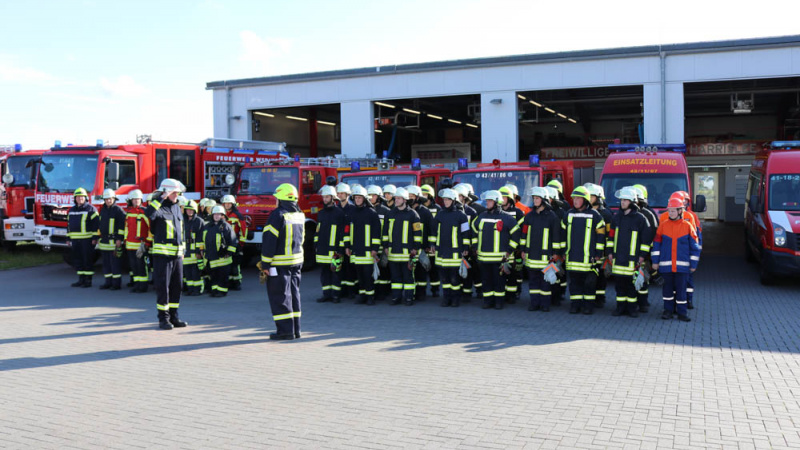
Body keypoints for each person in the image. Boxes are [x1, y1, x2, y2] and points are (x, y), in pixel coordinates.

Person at [261, 183, 305, 340]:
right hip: (296, 262)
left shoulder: (277, 215)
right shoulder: (300, 214)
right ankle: (295, 329)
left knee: (280, 296)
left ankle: (285, 331)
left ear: (280, 199)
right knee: (294, 295)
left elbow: (269, 241)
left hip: (279, 264)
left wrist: (265, 264)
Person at [145, 179, 189, 330]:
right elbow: (149, 214)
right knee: (163, 287)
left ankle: (174, 317)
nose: (176, 195)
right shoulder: (158, 207)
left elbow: (181, 231)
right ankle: (163, 319)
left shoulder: (177, 208)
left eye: (177, 192)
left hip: (177, 256)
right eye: (173, 192)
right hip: (162, 256)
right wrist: (161, 197)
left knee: (177, 286)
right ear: (166, 193)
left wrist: (183, 251)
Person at [513, 187, 562, 312]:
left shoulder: (552, 217)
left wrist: (556, 253)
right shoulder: (529, 216)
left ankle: (545, 305)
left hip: (546, 256)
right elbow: (524, 235)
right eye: (534, 198)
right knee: (533, 282)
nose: (535, 201)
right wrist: (523, 249)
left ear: (544, 200)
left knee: (545, 282)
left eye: (537, 198)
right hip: (531, 255)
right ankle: (534, 303)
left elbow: (556, 237)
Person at [652, 197, 700, 322]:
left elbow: (695, 247)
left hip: (682, 267)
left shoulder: (688, 226)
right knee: (667, 291)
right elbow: (656, 246)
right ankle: (667, 311)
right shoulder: (663, 226)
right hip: (666, 266)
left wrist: (693, 264)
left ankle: (682, 313)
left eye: (673, 211)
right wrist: (655, 262)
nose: (671, 213)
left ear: (680, 211)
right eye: (669, 211)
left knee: (681, 291)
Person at [607, 187, 651, 318]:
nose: (622, 203)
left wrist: (642, 256)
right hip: (618, 259)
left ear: (632, 202)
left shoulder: (640, 219)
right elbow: (611, 237)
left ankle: (632, 309)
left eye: (625, 200)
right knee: (619, 286)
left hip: (633, 260)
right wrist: (609, 252)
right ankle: (620, 308)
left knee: (632, 287)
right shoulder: (616, 218)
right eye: (621, 200)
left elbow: (646, 241)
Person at [472, 190, 520, 310]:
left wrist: (510, 250)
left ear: (497, 202)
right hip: (483, 258)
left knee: (499, 282)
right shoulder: (482, 216)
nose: (487, 203)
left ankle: (499, 302)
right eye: (487, 201)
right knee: (486, 281)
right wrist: (475, 247)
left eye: (489, 201)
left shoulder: (507, 218)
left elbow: (516, 235)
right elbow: (473, 230)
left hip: (500, 258)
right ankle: (488, 301)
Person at [564, 186, 606, 315]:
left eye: (578, 198)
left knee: (589, 284)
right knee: (574, 284)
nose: (575, 201)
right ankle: (575, 305)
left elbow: (601, 236)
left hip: (589, 258)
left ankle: (588, 306)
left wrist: (598, 254)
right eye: (574, 198)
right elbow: (561, 234)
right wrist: (562, 252)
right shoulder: (568, 214)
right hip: (572, 257)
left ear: (586, 200)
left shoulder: (595, 216)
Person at [430, 188, 470, 307]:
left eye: (448, 200)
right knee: (444, 279)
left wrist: (465, 247)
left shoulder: (461, 216)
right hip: (441, 252)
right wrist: (432, 244)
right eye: (444, 200)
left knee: (454, 279)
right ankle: (446, 298)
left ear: (454, 201)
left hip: (455, 253)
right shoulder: (440, 214)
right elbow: (434, 231)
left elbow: (466, 234)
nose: (445, 202)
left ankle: (455, 299)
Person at [382, 187, 422, 306]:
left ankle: (409, 298)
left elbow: (418, 234)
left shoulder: (413, 215)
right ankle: (396, 297)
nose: (396, 200)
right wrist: (385, 246)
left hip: (407, 253)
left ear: (405, 200)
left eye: (399, 198)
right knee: (395, 278)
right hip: (393, 252)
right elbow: (385, 232)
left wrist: (416, 248)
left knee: (408, 277)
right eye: (395, 198)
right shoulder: (390, 214)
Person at [344, 186, 382, 305]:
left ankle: (370, 297)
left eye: (360, 198)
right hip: (355, 250)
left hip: (368, 251)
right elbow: (347, 230)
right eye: (356, 198)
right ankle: (362, 296)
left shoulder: (371, 213)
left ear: (364, 199)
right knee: (359, 275)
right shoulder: (351, 213)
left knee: (368, 275)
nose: (358, 200)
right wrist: (347, 246)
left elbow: (376, 232)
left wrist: (375, 249)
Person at [315, 185, 346, 303]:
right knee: (324, 273)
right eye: (324, 197)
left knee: (336, 273)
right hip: (322, 249)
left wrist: (340, 249)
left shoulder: (339, 213)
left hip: (335, 250)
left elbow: (343, 233)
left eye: (327, 197)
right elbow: (317, 230)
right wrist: (316, 245)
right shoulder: (321, 213)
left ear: (333, 198)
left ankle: (336, 295)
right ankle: (326, 294)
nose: (325, 199)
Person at [630, 185, 659, 312]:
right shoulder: (629, 214)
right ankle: (634, 302)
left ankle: (642, 303)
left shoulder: (648, 214)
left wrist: (647, 255)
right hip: (630, 252)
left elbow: (652, 235)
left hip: (644, 253)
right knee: (632, 278)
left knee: (642, 278)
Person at [584, 183, 613, 308]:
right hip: (588, 249)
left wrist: (606, 252)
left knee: (601, 276)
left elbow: (608, 234)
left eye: (592, 196)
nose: (589, 198)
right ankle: (589, 297)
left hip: (601, 250)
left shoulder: (606, 214)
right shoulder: (585, 211)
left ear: (599, 198)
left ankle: (600, 298)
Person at [67, 187, 99, 288]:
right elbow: (69, 225)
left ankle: (88, 281)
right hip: (75, 240)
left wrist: (95, 237)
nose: (80, 198)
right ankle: (80, 279)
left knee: (87, 260)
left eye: (82, 197)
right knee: (77, 260)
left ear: (86, 198)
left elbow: (96, 225)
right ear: (75, 198)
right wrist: (68, 238)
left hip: (87, 239)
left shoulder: (91, 209)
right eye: (78, 197)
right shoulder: (71, 210)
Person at [203, 205, 238, 297]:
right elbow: (202, 240)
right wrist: (202, 250)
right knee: (213, 276)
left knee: (222, 276)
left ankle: (222, 291)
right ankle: (215, 291)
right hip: (211, 257)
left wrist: (229, 252)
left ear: (223, 216)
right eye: (215, 214)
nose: (217, 216)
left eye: (219, 214)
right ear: (212, 215)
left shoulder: (226, 226)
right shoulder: (207, 227)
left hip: (223, 258)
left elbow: (233, 241)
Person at [499, 185, 525, 304]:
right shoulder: (497, 212)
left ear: (509, 199)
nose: (501, 199)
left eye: (504, 197)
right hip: (501, 248)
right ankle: (504, 294)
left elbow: (522, 231)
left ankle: (513, 295)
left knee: (514, 274)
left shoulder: (518, 212)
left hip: (515, 250)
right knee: (502, 273)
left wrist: (519, 249)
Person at [453, 183, 480, 301]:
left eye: (458, 196)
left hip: (467, 247)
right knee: (456, 271)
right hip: (455, 246)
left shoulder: (471, 212)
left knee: (470, 270)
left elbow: (474, 232)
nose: (456, 198)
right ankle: (458, 293)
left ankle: (468, 293)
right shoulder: (451, 212)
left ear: (464, 197)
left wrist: (472, 247)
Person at [97, 189, 127, 290]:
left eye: (110, 199)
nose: (108, 201)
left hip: (114, 241)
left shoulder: (118, 210)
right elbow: (100, 224)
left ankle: (116, 284)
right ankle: (108, 282)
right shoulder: (103, 210)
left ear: (114, 199)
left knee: (115, 264)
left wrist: (119, 239)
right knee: (106, 264)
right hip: (104, 241)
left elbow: (122, 226)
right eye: (106, 199)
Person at [368, 185, 392, 299]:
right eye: (369, 195)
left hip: (383, 246)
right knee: (372, 271)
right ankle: (375, 291)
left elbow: (388, 230)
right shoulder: (367, 210)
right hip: (371, 247)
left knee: (384, 270)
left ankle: (385, 292)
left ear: (378, 197)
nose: (371, 198)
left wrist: (387, 245)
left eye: (373, 195)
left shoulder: (386, 211)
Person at [124, 189, 150, 293]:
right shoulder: (129, 213)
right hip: (130, 244)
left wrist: (148, 242)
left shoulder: (145, 212)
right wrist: (125, 240)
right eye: (134, 199)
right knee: (134, 266)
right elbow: (127, 227)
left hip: (141, 245)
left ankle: (143, 286)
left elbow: (150, 228)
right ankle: (137, 284)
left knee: (141, 266)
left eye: (138, 199)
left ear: (141, 200)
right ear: (131, 201)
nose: (136, 201)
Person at [419, 184, 442, 297]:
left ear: (431, 196)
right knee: (422, 268)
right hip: (423, 243)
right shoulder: (420, 209)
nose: (424, 197)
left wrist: (433, 244)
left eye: (426, 195)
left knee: (434, 268)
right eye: (422, 195)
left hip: (433, 244)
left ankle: (435, 289)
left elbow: (437, 228)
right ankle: (422, 289)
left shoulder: (437, 209)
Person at [221, 195, 247, 291]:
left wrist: (241, 243)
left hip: (235, 242)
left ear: (232, 204)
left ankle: (236, 283)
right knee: (226, 263)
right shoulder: (222, 214)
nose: (227, 205)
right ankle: (229, 282)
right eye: (225, 203)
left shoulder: (237, 215)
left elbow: (244, 229)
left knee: (235, 264)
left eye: (229, 203)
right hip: (225, 242)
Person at [336, 183, 357, 298]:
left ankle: (352, 291)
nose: (339, 195)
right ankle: (342, 290)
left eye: (342, 193)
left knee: (351, 268)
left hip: (350, 243)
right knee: (339, 268)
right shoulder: (335, 209)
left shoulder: (353, 209)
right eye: (338, 193)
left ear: (348, 194)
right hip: (338, 243)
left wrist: (348, 244)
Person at [183, 200, 205, 296]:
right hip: (185, 251)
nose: (189, 211)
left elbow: (201, 237)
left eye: (191, 210)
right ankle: (190, 289)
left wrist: (199, 250)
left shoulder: (199, 221)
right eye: (188, 210)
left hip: (194, 251)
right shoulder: (182, 220)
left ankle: (197, 289)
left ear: (195, 210)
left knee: (195, 272)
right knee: (187, 272)